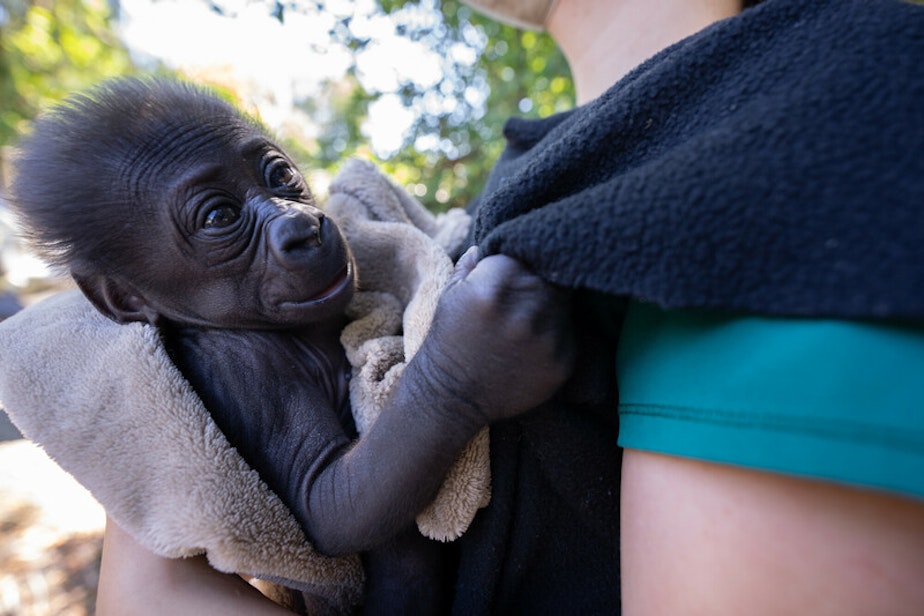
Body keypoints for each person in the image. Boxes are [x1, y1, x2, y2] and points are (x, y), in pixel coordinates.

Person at [98, 0, 924, 613]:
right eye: (215, 216)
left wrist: (148, 587)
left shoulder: (845, 96)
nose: (295, 221)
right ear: (127, 296)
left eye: (280, 180)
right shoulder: (518, 181)